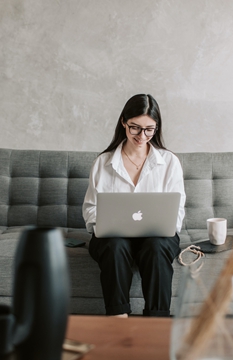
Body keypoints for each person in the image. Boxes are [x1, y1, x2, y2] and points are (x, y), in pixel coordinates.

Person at [82, 94, 186, 317]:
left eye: (150, 129)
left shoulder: (169, 162)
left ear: (156, 128)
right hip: (113, 238)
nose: (142, 136)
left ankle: (157, 322)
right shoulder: (103, 163)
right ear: (123, 122)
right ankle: (118, 318)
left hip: (157, 237)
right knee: (115, 247)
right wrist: (105, 223)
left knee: (157, 248)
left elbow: (176, 212)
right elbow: (90, 209)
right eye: (135, 128)